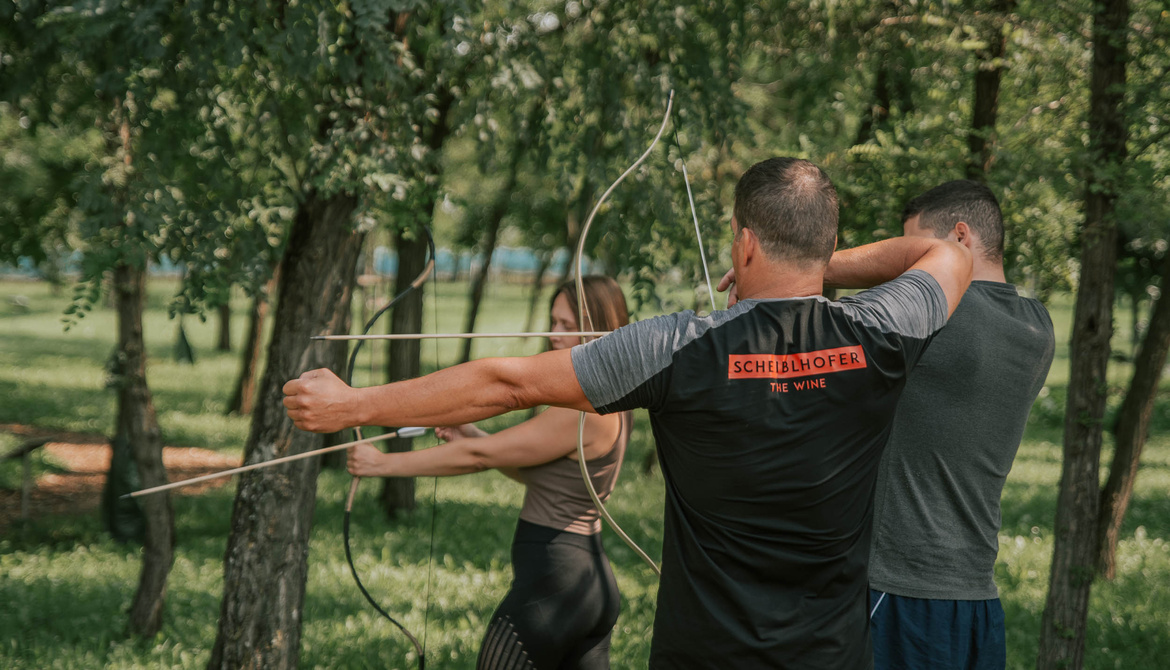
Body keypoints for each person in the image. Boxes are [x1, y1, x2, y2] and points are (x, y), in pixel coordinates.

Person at [284, 157, 974, 668]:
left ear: (743, 244)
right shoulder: (885, 332)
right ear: (822, 242)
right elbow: (946, 251)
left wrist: (354, 404)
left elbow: (510, 382)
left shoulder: (678, 346)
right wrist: (820, 263)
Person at [346, 276, 632, 670]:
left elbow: (480, 456)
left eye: (568, 325)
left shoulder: (580, 411)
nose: (555, 334)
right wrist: (472, 432)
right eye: (553, 321)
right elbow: (536, 472)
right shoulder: (615, 400)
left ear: (600, 326)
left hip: (554, 586)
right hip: (589, 586)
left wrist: (381, 464)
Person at [862, 181, 1055, 670]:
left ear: (959, 239)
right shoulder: (1037, 326)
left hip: (903, 594)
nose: (909, 276)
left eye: (916, 256)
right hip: (975, 599)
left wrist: (808, 264)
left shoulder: (941, 319)